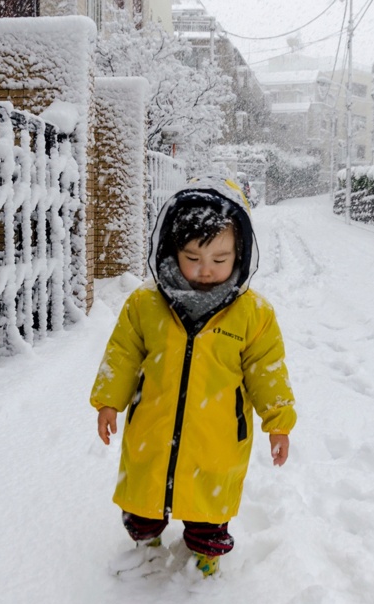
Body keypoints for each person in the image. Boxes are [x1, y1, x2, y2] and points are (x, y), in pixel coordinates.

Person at [90, 177, 296, 578]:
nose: (206, 271)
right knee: (143, 501)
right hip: (152, 429)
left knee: (209, 511)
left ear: (239, 254)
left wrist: (279, 423)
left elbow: (268, 370)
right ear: (172, 250)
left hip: (216, 439)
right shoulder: (145, 304)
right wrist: (108, 400)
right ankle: (144, 543)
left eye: (220, 260)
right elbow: (123, 354)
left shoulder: (253, 314)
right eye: (193, 258)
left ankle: (206, 557)